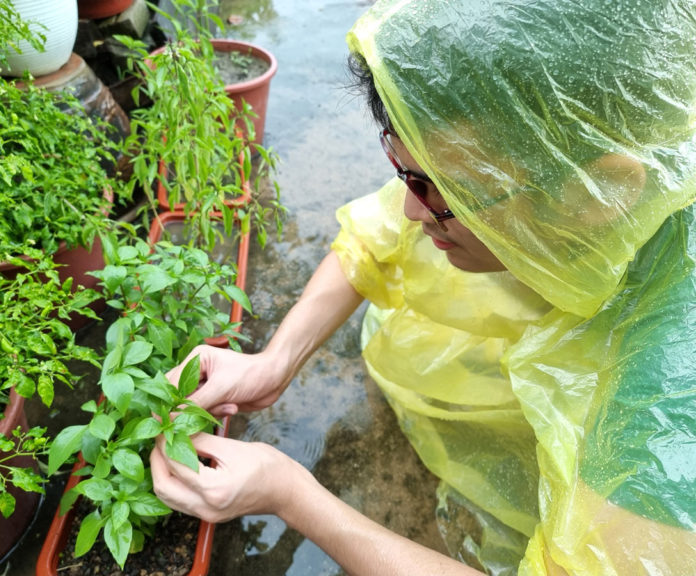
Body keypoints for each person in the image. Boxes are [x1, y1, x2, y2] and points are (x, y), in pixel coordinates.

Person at [150, 0, 696, 574]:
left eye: (435, 190)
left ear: (600, 190)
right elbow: (374, 238)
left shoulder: (670, 399)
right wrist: (275, 361)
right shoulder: (538, 171)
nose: (412, 209)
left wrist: (292, 494)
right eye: (402, 167)